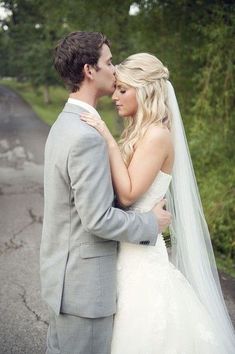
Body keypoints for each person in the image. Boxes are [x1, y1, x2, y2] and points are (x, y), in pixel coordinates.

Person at [81, 53, 235, 353]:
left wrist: (107, 139)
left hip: (141, 257)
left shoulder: (156, 135)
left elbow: (127, 195)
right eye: (116, 88)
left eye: (123, 89)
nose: (115, 96)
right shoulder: (140, 132)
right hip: (128, 247)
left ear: (145, 90)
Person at [40, 33, 171, 354]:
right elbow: (97, 218)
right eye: (109, 62)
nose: (114, 70)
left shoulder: (66, 123)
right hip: (84, 287)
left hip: (68, 278)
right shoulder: (86, 135)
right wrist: (151, 223)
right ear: (89, 70)